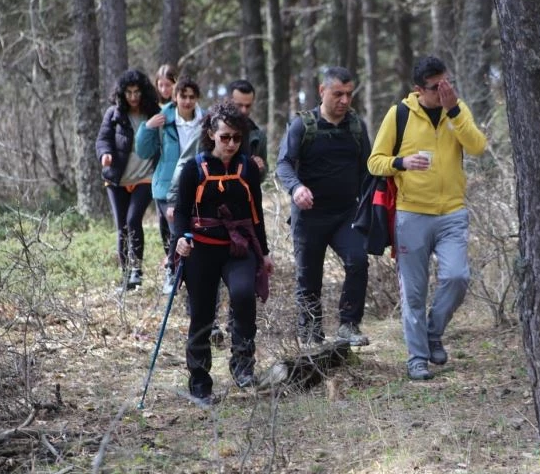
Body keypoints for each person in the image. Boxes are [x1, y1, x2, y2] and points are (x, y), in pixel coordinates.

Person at [367, 56, 487, 380]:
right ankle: (417, 358)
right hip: (412, 214)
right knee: (414, 292)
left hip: (452, 212)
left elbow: (478, 147)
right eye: (436, 87)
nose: (444, 90)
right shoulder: (399, 114)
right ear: (419, 90)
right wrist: (402, 162)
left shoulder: (456, 110)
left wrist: (455, 111)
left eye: (447, 83)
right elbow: (374, 162)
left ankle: (433, 332)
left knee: (457, 277)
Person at [172, 101, 274, 404]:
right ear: (211, 135)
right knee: (202, 313)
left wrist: (264, 252)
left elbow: (256, 212)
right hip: (201, 249)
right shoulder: (194, 168)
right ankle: (200, 382)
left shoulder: (247, 168)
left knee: (243, 295)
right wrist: (180, 241)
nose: (231, 144)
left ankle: (243, 364)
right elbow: (181, 211)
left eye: (236, 138)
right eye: (225, 137)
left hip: (238, 247)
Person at [276, 66, 371, 347]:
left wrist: (371, 208)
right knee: (309, 279)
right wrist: (296, 188)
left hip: (346, 214)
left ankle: (348, 325)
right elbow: (283, 164)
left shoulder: (356, 126)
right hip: (309, 216)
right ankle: (311, 337)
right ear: (322, 91)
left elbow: (368, 170)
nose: (344, 100)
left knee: (358, 261)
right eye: (338, 94)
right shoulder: (302, 125)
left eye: (349, 94)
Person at [135, 76, 204, 294]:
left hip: (197, 182)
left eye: (192, 97)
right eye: (183, 96)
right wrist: (147, 128)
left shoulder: (205, 120)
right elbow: (144, 151)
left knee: (191, 229)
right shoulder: (163, 118)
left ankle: (192, 273)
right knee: (175, 229)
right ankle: (173, 273)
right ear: (175, 97)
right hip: (166, 184)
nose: (187, 101)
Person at [96, 68, 160, 290]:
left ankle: (137, 270)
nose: (133, 97)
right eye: (129, 92)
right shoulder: (113, 114)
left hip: (145, 176)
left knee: (133, 220)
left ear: (144, 92)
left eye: (137, 92)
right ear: (122, 93)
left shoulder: (153, 113)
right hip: (118, 178)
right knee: (121, 226)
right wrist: (105, 154)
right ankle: (126, 277)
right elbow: (103, 139)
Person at [228, 79, 269, 182]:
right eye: (239, 105)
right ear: (228, 101)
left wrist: (259, 168)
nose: (244, 110)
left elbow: (261, 177)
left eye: (248, 106)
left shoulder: (258, 136)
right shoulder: (212, 130)